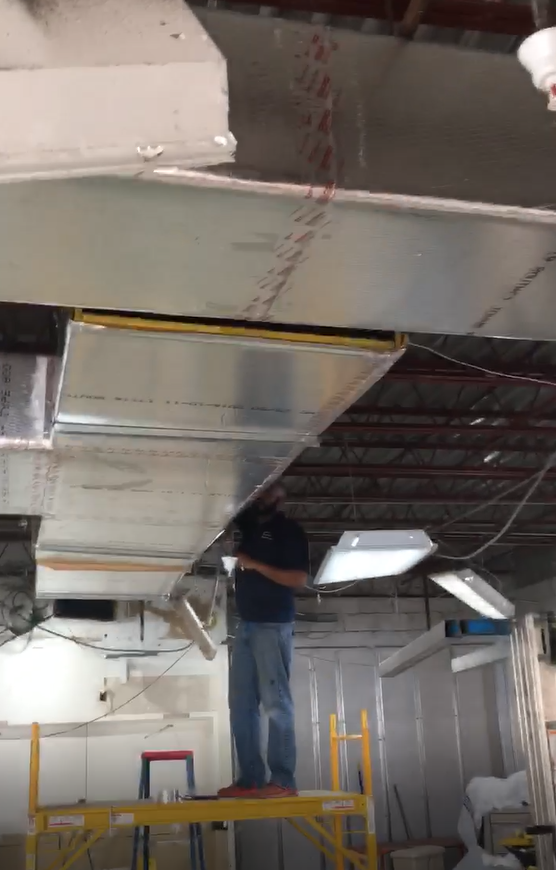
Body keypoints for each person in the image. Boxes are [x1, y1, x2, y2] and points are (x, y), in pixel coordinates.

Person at [218, 482, 309, 799]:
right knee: (241, 706)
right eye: (258, 491)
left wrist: (255, 565)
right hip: (247, 624)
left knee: (275, 704)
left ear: (281, 496)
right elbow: (230, 508)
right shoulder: (249, 527)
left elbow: (298, 579)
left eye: (269, 490)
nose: (261, 496)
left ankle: (283, 780)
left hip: (273, 624)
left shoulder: (287, 530)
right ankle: (250, 779)